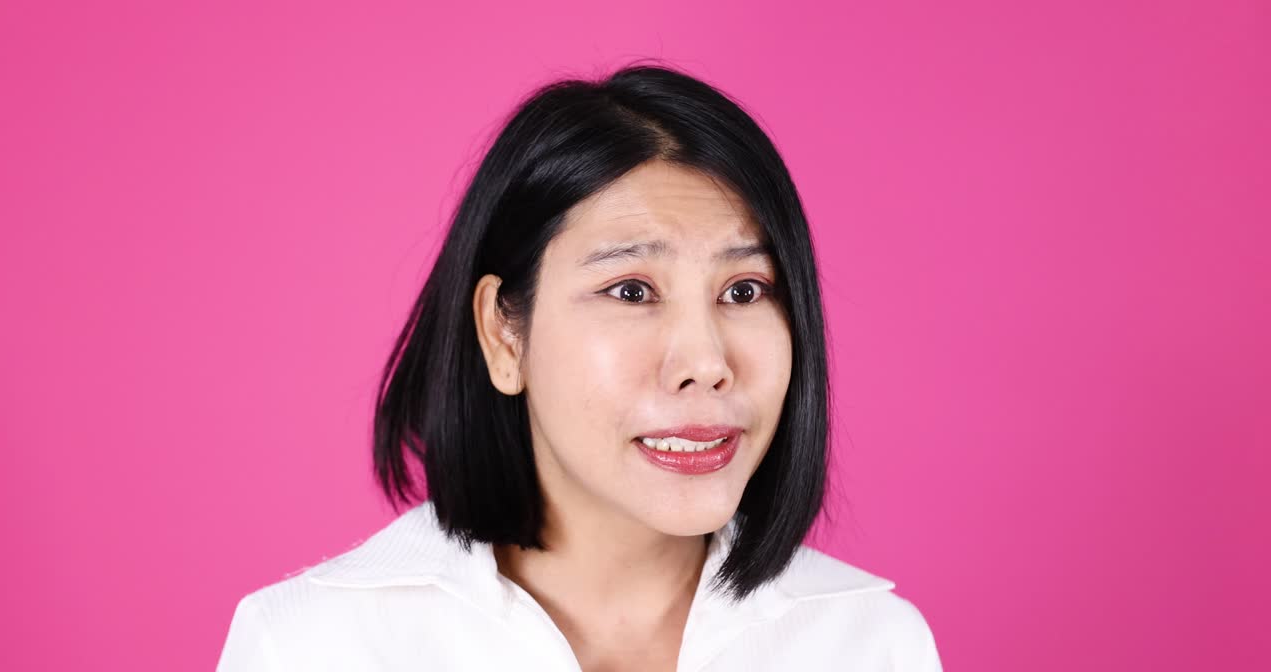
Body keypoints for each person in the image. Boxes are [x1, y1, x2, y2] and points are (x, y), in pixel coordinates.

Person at [216, 61, 943, 671]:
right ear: (504, 335)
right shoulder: (314, 647)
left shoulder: (872, 646)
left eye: (744, 291)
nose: (706, 363)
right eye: (631, 291)